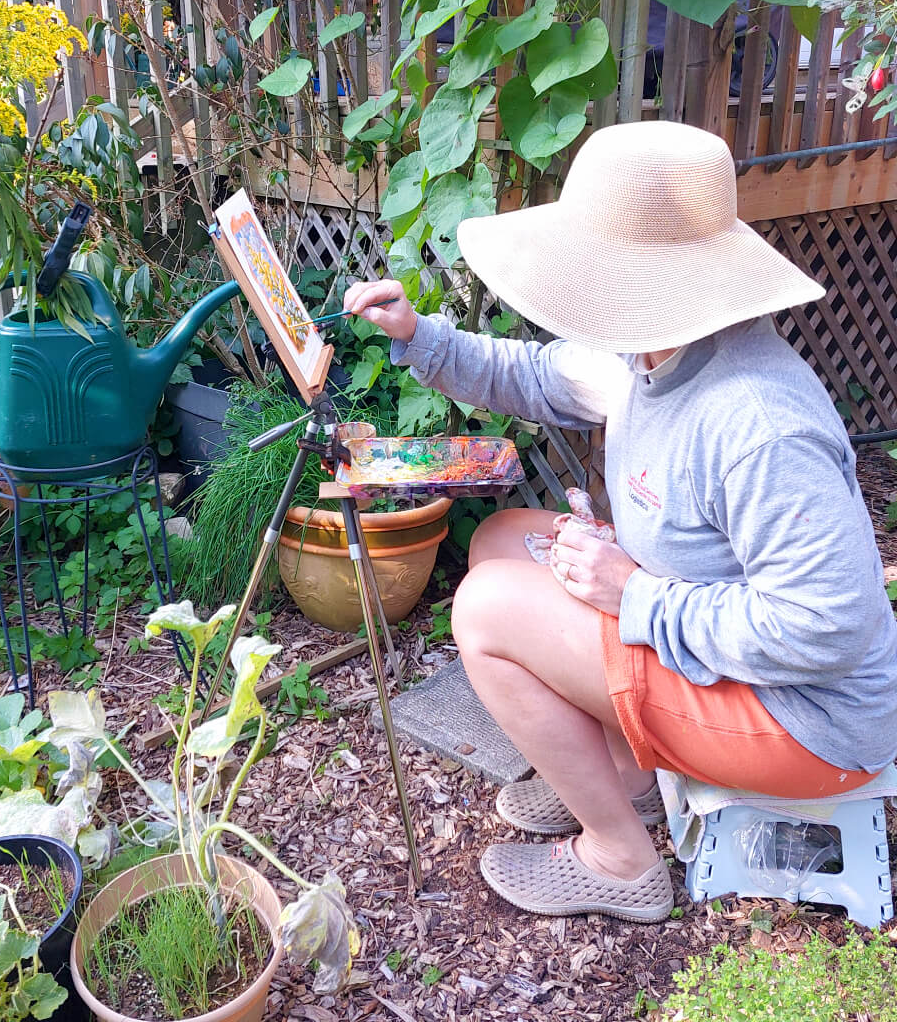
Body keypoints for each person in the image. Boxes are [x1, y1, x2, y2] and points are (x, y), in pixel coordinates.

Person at [343, 120, 897, 923]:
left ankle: (619, 860)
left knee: (486, 608)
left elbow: (827, 626)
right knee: (500, 542)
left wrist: (635, 593)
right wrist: (417, 336)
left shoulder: (757, 423)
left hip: (808, 722)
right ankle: (630, 785)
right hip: (717, 646)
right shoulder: (652, 352)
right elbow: (535, 374)